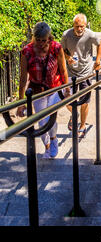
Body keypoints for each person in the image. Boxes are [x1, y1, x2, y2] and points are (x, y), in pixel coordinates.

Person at [17, 22, 69, 159]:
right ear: (34, 37)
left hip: (54, 88)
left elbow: (63, 70)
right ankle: (47, 146)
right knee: (41, 122)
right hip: (37, 90)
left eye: (43, 40)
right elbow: (23, 78)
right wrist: (20, 102)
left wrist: (67, 87)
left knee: (50, 118)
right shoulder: (27, 52)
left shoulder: (56, 48)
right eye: (38, 40)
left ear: (49, 38)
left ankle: (53, 140)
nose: (40, 43)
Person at [61, 14, 101, 138]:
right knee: (66, 98)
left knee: (84, 101)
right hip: (71, 72)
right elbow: (61, 49)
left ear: (85, 25)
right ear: (73, 25)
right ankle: (75, 114)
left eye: (82, 26)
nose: (79, 29)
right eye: (77, 26)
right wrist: (68, 57)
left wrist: (98, 60)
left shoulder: (90, 34)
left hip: (86, 72)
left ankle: (83, 125)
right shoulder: (66, 35)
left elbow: (100, 44)